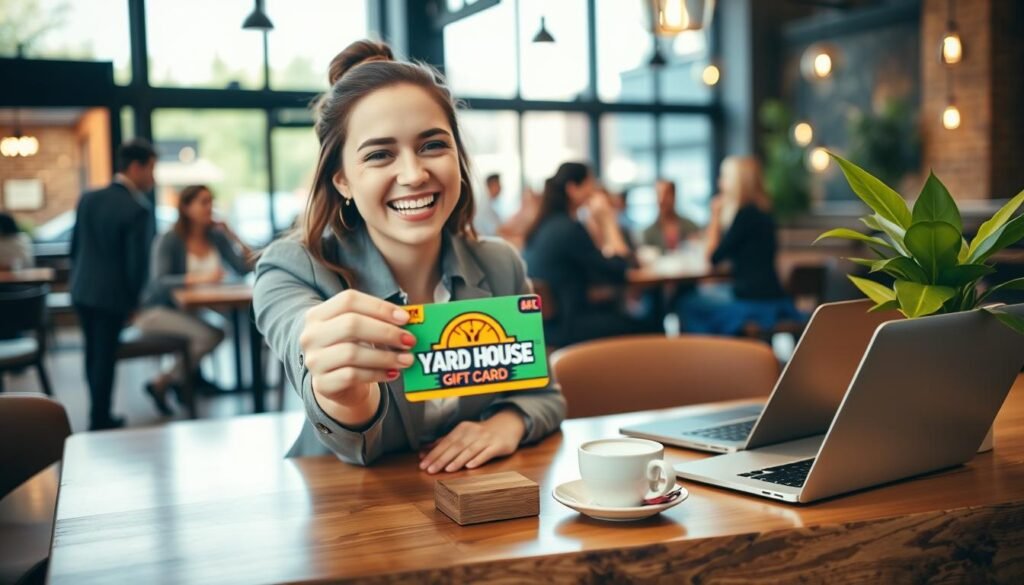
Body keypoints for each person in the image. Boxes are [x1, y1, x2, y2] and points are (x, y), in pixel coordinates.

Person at [253, 40, 565, 470]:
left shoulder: (499, 264)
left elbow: (543, 394)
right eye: (380, 155)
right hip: (345, 501)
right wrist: (340, 390)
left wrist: (506, 423)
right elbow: (313, 369)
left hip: (476, 497)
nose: (414, 175)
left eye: (432, 146)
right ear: (342, 180)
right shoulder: (290, 268)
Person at [136, 185, 254, 414]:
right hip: (156, 311)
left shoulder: (216, 236)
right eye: (203, 202)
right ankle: (164, 381)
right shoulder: (169, 239)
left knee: (220, 330)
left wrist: (232, 234)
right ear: (186, 208)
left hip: (191, 311)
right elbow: (160, 282)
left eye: (211, 201)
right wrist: (199, 278)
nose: (209, 207)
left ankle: (177, 382)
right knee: (210, 334)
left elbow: (244, 267)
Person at [70, 138, 156, 430]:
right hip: (112, 296)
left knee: (92, 354)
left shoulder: (88, 198)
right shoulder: (137, 209)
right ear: (136, 167)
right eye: (151, 169)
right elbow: (136, 265)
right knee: (105, 356)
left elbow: (75, 248)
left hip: (82, 289)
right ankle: (100, 418)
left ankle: (97, 412)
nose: (153, 177)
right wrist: (133, 302)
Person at [523, 162, 658, 347]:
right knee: (648, 327)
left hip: (549, 326)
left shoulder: (543, 227)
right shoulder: (569, 229)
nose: (594, 190)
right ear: (573, 189)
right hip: (569, 326)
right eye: (590, 183)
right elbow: (618, 271)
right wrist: (608, 221)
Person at [679, 156, 801, 335]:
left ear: (736, 183)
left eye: (724, 177)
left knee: (686, 303)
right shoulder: (764, 213)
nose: (720, 183)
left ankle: (711, 350)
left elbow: (712, 258)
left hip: (753, 300)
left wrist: (715, 215)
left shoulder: (744, 215)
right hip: (774, 295)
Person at [640, 179, 699, 252]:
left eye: (666, 194)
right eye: (659, 194)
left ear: (674, 196)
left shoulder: (690, 227)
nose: (662, 200)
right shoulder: (649, 234)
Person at [473, 173, 503, 237]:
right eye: (499, 185)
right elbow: (495, 230)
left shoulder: (489, 203)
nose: (501, 188)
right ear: (492, 185)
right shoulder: (484, 205)